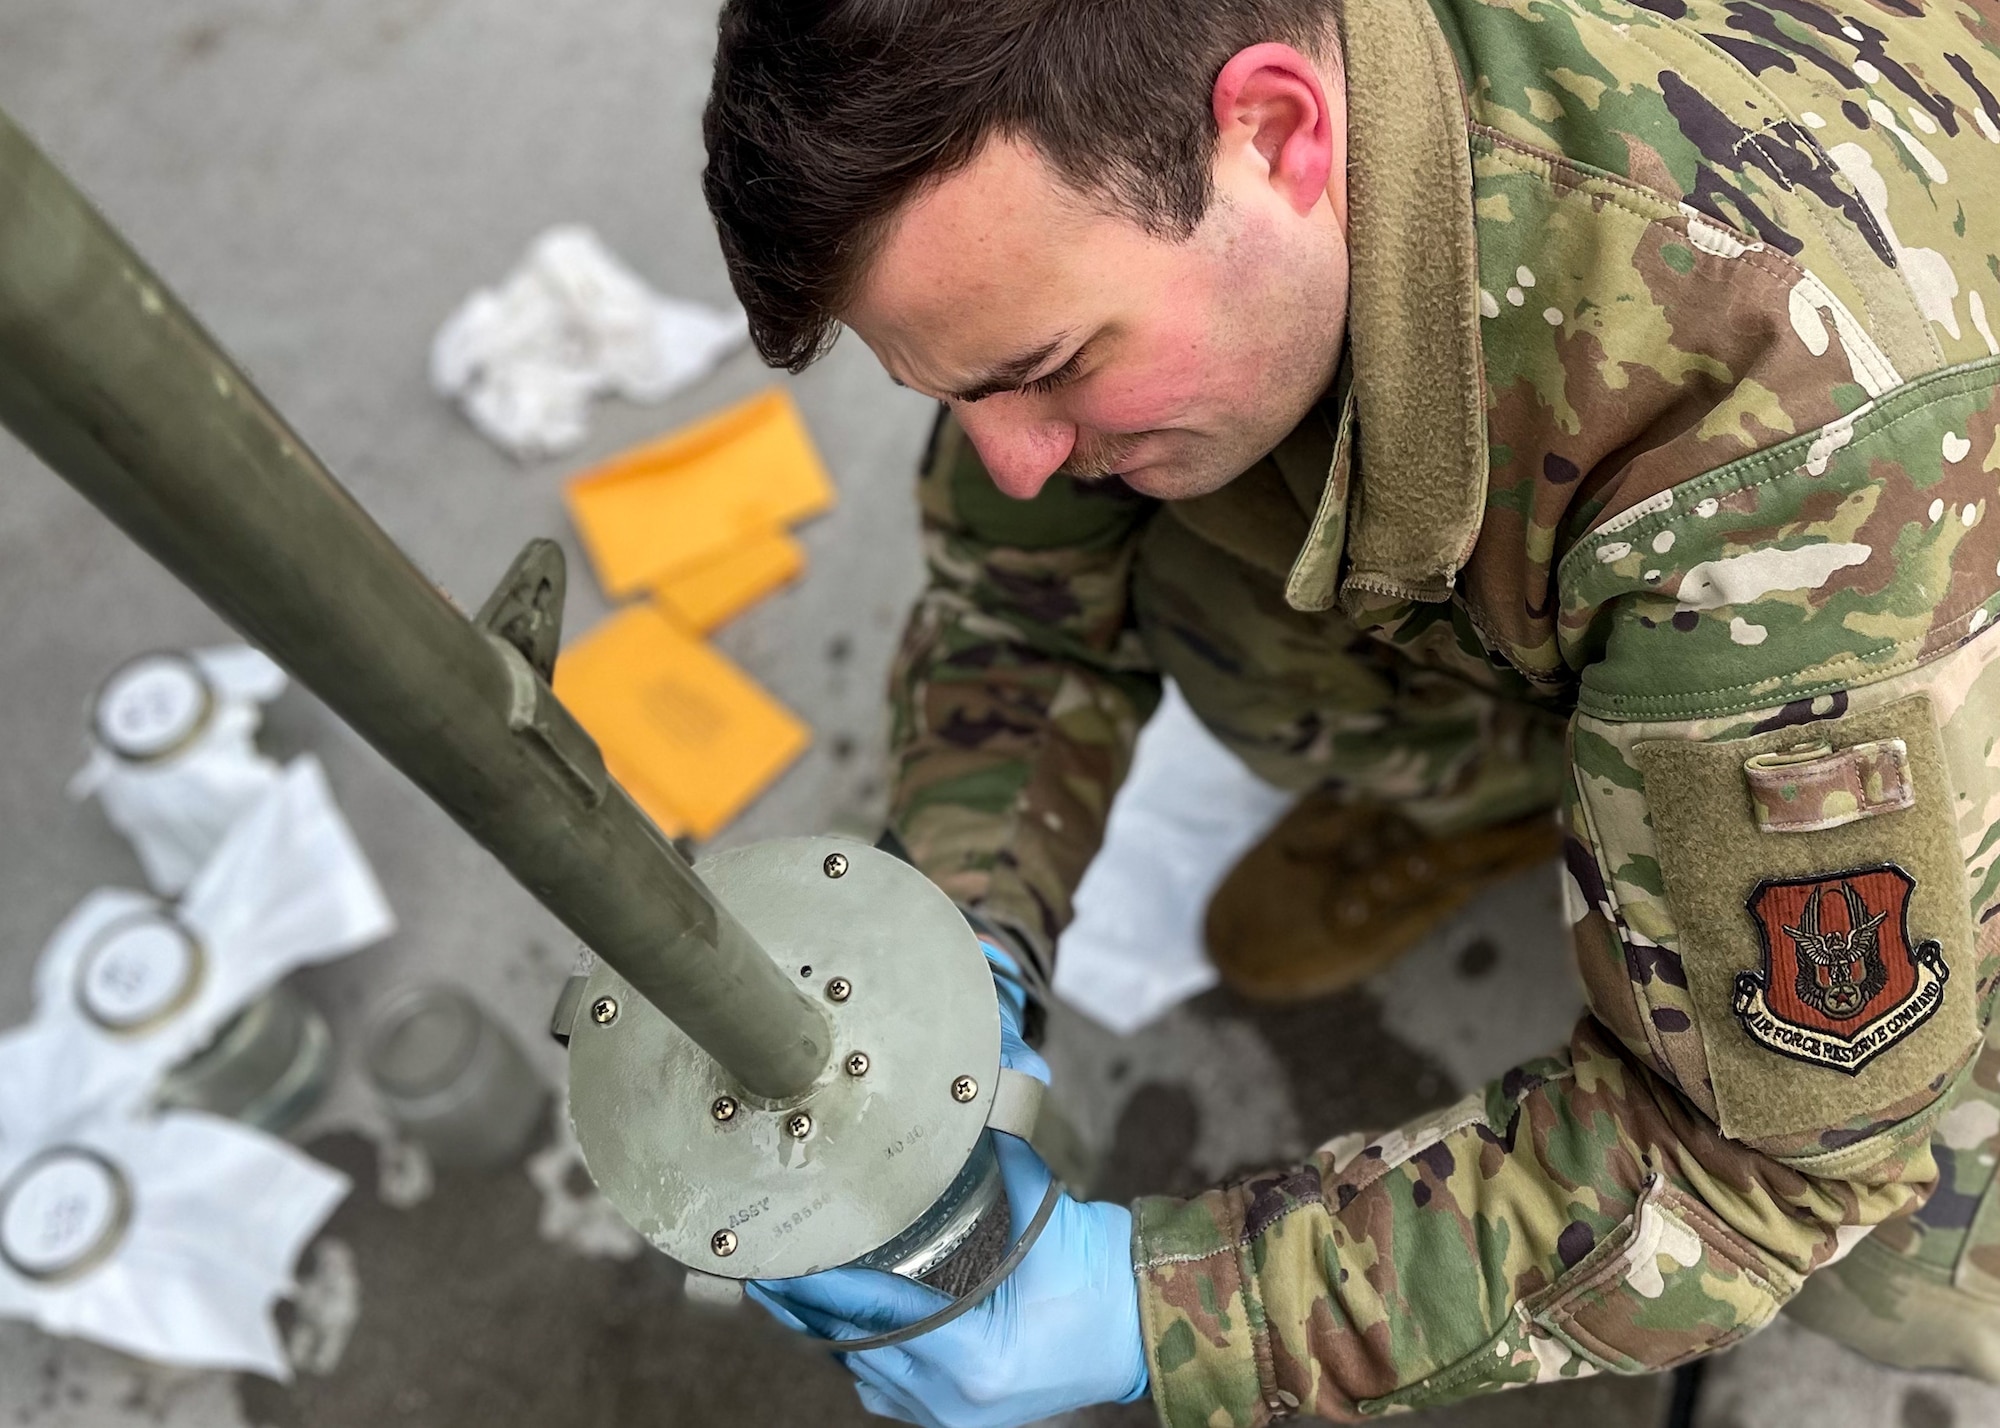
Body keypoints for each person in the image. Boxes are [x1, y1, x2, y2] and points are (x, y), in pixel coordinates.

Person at [702, 0, 2000, 1421]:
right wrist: (959, 936)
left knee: (1888, 1242)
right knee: (1216, 599)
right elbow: (1019, 604)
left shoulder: (1785, 468)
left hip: (1928, 575)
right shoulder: (1106, 136)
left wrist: (1163, 1314)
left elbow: (1750, 1174)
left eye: (1050, 369)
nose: (1010, 462)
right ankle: (1605, 788)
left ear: (1275, 132)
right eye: (961, 391)